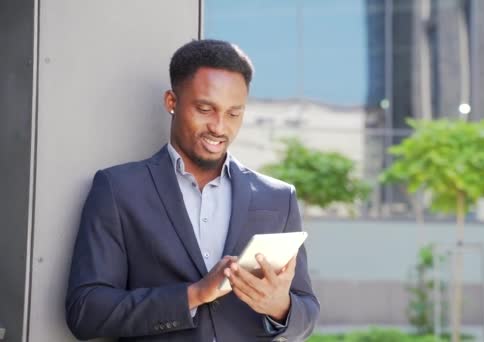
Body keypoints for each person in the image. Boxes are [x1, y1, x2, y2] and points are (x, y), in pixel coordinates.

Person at [65, 39, 320, 342]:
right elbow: (85, 312)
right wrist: (194, 294)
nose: (219, 126)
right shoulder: (118, 190)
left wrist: (281, 308)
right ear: (172, 102)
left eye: (233, 113)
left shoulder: (278, 198)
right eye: (205, 109)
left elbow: (307, 312)